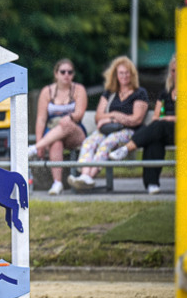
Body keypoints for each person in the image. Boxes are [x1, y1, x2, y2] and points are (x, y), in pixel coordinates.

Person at [68, 55, 149, 191]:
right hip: (108, 128)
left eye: (127, 72)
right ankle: (84, 175)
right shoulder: (110, 92)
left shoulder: (140, 93)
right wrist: (113, 117)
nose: (124, 76)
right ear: (115, 75)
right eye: (121, 73)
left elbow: (136, 119)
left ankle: (90, 177)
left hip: (128, 131)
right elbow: (98, 116)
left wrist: (112, 117)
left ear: (132, 74)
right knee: (90, 142)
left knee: (107, 143)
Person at [109, 55, 177, 194]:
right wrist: (164, 119)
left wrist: (168, 119)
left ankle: (126, 149)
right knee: (154, 139)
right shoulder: (165, 93)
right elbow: (157, 116)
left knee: (159, 126)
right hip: (164, 131)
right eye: (173, 70)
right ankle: (152, 184)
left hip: (185, 131)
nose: (175, 74)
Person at [28, 59, 89, 195]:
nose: (66, 75)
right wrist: (41, 142)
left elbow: (79, 114)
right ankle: (57, 183)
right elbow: (41, 119)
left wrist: (69, 118)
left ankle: (33, 148)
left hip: (76, 131)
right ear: (56, 74)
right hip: (53, 132)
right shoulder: (47, 92)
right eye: (63, 72)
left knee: (66, 123)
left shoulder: (79, 90)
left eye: (70, 72)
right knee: (56, 142)